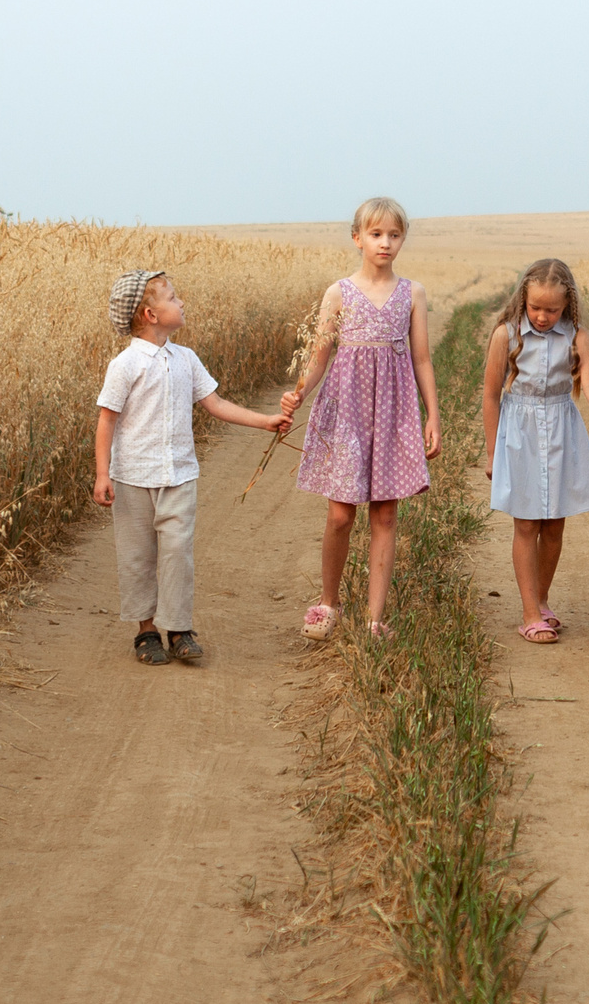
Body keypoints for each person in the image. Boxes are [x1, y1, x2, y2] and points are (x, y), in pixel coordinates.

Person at [93, 269, 288, 665]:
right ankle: (146, 632)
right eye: (173, 298)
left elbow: (215, 405)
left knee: (178, 552)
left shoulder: (186, 359)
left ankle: (179, 628)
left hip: (180, 474)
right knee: (138, 555)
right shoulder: (126, 364)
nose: (181, 303)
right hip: (132, 477)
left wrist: (264, 420)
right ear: (150, 314)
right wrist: (102, 473)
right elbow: (106, 419)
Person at [282, 197, 440, 641]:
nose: (385, 243)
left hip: (394, 412)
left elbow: (422, 360)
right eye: (375, 234)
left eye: (394, 235)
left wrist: (433, 417)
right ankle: (328, 604)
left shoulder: (413, 293)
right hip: (346, 411)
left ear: (402, 238)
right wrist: (295, 395)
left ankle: (374, 619)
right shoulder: (339, 293)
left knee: (385, 516)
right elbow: (318, 357)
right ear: (357, 239)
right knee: (339, 515)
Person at [482, 259, 589, 644]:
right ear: (524, 300)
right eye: (535, 307)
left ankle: (543, 599)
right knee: (527, 523)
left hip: (562, 431)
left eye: (551, 309)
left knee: (555, 524)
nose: (542, 316)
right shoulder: (506, 335)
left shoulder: (577, 335)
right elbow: (490, 394)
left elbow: (588, 377)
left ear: (567, 305)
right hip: (519, 433)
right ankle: (529, 612)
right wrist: (491, 453)